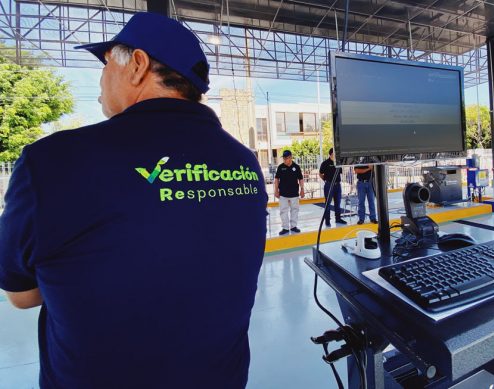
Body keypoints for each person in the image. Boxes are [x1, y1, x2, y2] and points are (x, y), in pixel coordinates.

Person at [0, 12, 268, 389]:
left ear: (138, 65)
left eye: (105, 63)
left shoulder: (54, 161)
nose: (100, 82)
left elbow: (22, 295)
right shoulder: (243, 161)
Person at [274, 150, 305, 235]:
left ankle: (293, 226)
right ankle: (285, 228)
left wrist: (302, 189)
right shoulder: (280, 167)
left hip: (294, 193)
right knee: (283, 211)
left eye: (286, 158)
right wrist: (276, 190)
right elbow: (276, 179)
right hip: (283, 194)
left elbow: (300, 179)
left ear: (290, 157)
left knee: (294, 210)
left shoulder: (296, 167)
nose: (284, 160)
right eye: (283, 158)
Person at [319, 148, 347, 227]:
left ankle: (338, 219)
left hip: (337, 185)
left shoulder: (338, 163)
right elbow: (321, 173)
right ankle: (327, 220)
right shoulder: (325, 163)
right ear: (331, 154)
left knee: (337, 203)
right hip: (329, 185)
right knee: (328, 203)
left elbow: (341, 172)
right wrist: (325, 180)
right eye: (335, 154)